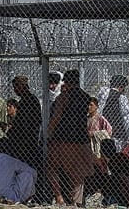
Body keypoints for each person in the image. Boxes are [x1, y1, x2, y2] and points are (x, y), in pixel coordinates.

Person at [47, 69, 93, 206]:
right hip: (80, 138)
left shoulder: (63, 97)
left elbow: (57, 117)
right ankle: (76, 202)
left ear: (66, 81)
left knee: (51, 166)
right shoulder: (85, 97)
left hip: (63, 138)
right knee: (78, 174)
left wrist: (48, 133)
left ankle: (59, 197)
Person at [0, 76, 41, 169]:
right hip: (27, 139)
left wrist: (11, 132)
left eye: (16, 87)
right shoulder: (28, 99)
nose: (15, 90)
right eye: (14, 87)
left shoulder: (28, 101)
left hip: (25, 140)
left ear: (23, 86)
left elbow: (23, 123)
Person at [98, 75, 129, 151]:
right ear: (121, 86)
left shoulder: (103, 96)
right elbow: (126, 117)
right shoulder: (122, 97)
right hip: (118, 131)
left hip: (104, 130)